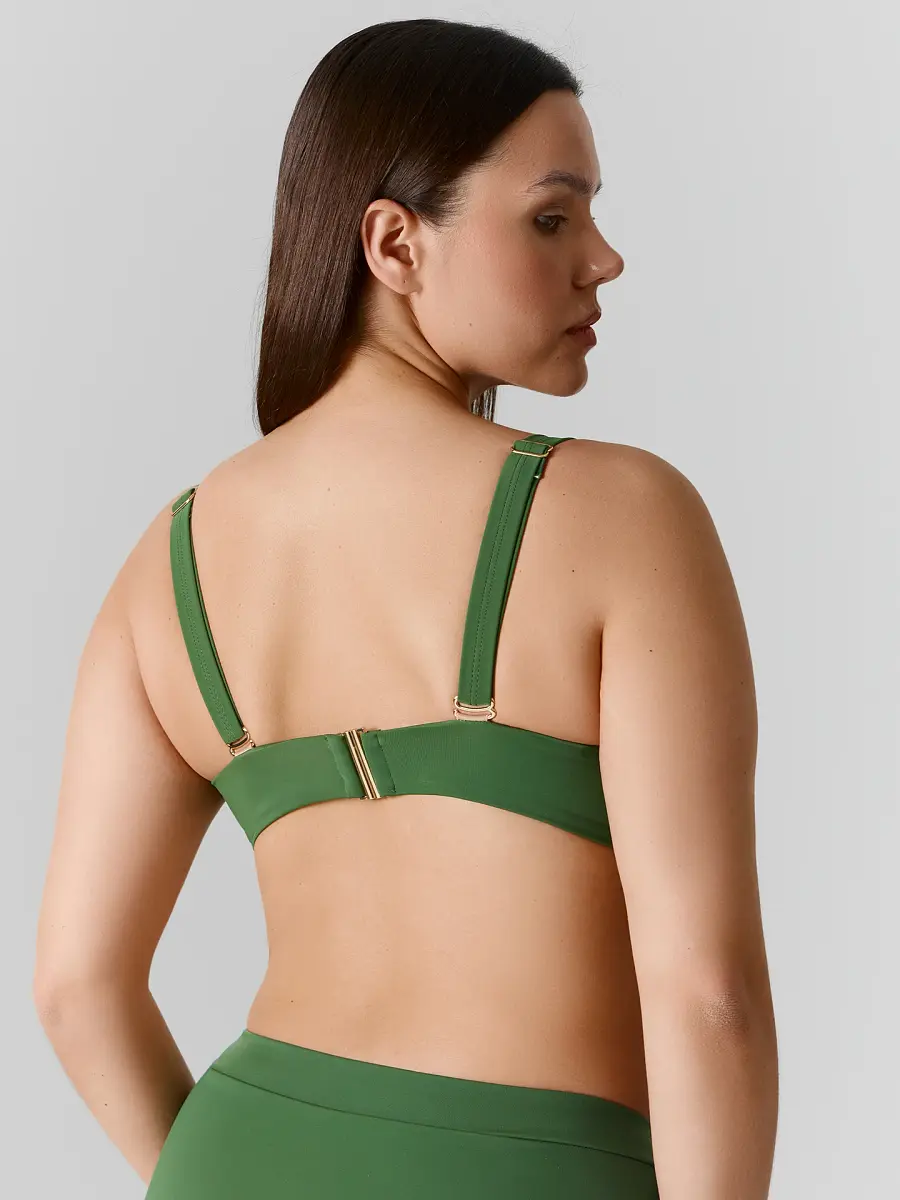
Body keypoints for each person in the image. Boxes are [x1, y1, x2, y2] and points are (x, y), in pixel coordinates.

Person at [32, 17, 778, 1200]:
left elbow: (76, 986)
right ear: (393, 242)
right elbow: (707, 995)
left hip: (237, 1158)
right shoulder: (623, 517)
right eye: (553, 218)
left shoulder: (164, 564)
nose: (604, 259)